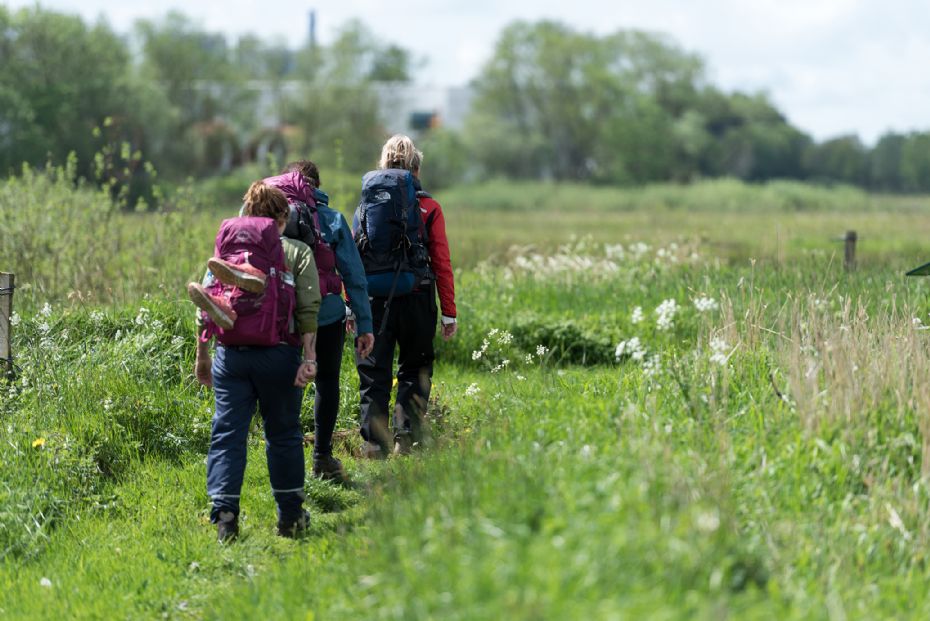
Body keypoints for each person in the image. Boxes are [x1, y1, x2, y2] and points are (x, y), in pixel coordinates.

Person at [193, 181, 321, 542]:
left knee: (228, 434)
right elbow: (309, 309)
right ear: (283, 218)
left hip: (230, 354)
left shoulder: (227, 252)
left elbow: (207, 305)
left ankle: (225, 517)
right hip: (279, 354)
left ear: (246, 213)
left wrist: (203, 356)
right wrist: (308, 358)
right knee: (282, 434)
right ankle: (291, 518)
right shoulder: (296, 252)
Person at [355, 134, 458, 459]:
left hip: (375, 302)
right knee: (415, 368)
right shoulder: (428, 207)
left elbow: (353, 259)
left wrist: (351, 308)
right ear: (416, 166)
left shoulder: (366, 207)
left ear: (382, 164)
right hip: (417, 296)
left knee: (374, 370)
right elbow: (441, 261)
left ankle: (374, 444)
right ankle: (405, 438)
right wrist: (448, 312)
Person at [273, 161, 375, 481]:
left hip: (283, 315)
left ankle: (283, 458)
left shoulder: (268, 219)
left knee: (284, 383)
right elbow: (354, 276)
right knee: (326, 381)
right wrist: (364, 322)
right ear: (316, 185)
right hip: (326, 315)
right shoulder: (330, 219)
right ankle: (321, 459)